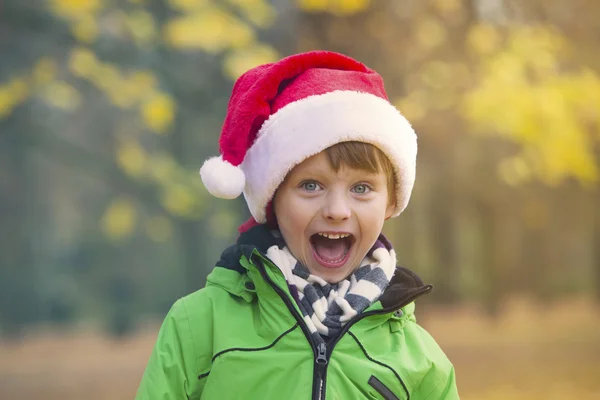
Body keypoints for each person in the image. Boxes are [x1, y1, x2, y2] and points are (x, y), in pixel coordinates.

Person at [135, 50, 459, 399]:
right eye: (311, 186)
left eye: (361, 188)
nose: (337, 210)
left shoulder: (418, 359)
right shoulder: (199, 326)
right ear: (273, 197)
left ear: (391, 201)